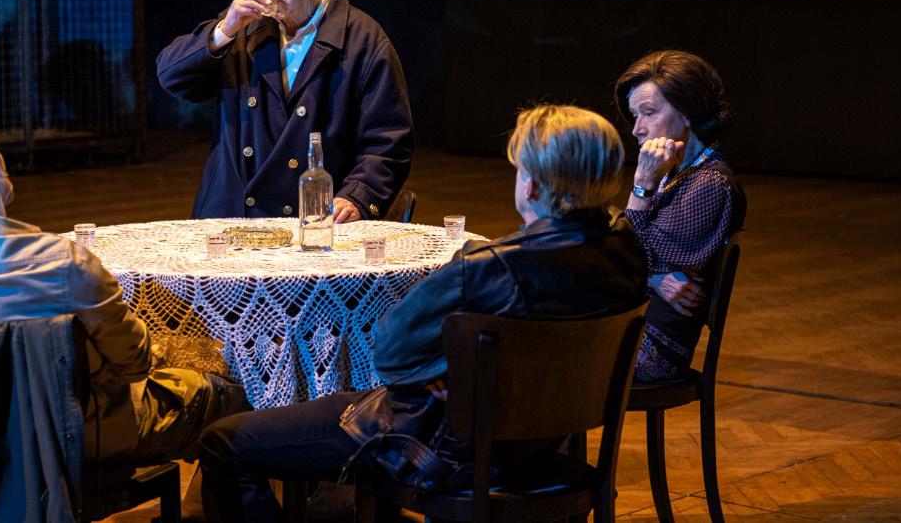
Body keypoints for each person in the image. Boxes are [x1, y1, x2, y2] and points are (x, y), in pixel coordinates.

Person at [197, 104, 648, 522]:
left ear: (529, 185)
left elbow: (389, 352)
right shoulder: (625, 250)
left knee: (221, 442)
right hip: (544, 444)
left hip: (441, 448)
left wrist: (450, 370)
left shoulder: (489, 267)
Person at [0, 106, 249, 464]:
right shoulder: (62, 263)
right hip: (69, 435)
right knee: (228, 393)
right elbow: (135, 363)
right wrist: (98, 365)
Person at [156, 0, 414, 222]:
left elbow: (388, 140)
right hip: (232, 214)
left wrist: (359, 194)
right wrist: (224, 29)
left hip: (313, 216)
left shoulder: (362, 39)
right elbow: (171, 77)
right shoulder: (242, 26)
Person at [615, 49, 747, 381]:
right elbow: (629, 259)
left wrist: (642, 185)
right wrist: (653, 278)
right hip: (631, 325)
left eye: (648, 113)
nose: (637, 129)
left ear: (687, 113)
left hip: (651, 347)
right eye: (635, 115)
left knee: (543, 353)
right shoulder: (677, 172)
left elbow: (625, 257)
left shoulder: (711, 183)